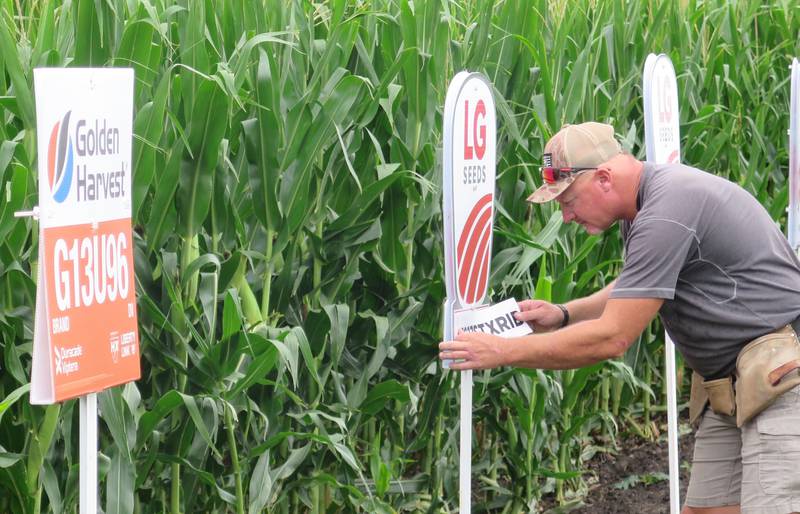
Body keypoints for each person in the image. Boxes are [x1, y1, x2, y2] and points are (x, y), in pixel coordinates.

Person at [439, 122, 800, 514]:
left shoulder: (666, 212)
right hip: (732, 384)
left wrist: (501, 350)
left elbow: (612, 338)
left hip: (779, 377)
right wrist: (563, 314)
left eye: (568, 201)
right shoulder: (644, 206)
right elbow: (639, 285)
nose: (566, 216)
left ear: (605, 178)